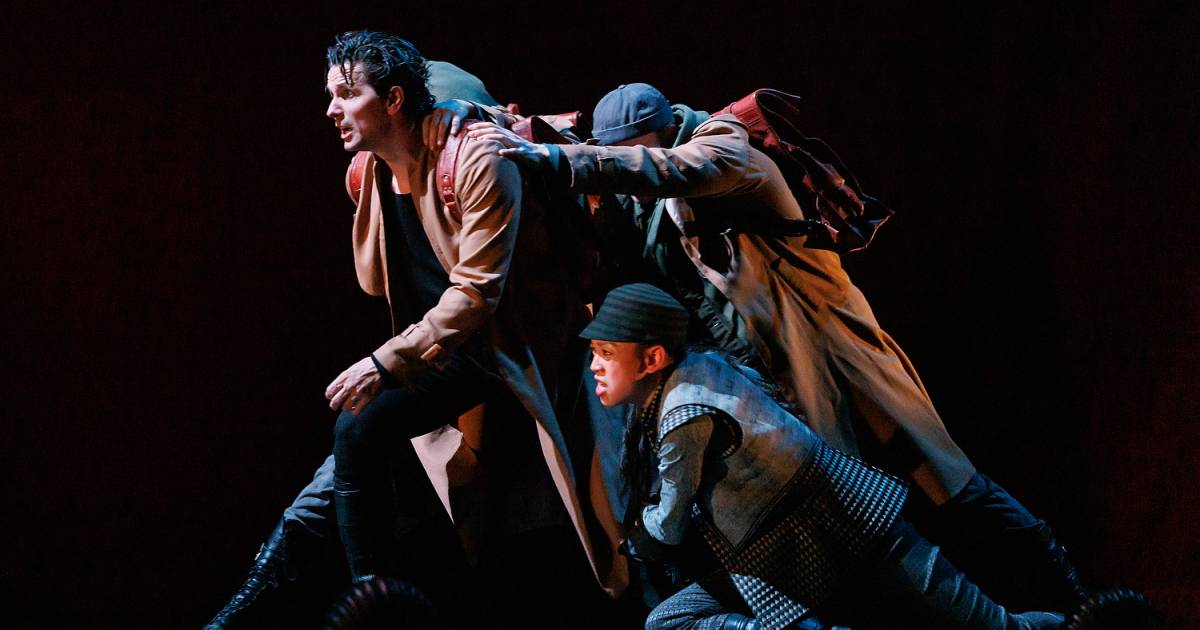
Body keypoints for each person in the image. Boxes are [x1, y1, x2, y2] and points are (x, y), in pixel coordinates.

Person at [465, 82, 1083, 610]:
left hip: (829, 358)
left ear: (665, 132)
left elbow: (672, 170)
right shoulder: (641, 202)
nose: (630, 171)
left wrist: (556, 158)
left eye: (636, 151)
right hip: (768, 388)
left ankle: (1070, 597)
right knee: (848, 528)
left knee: (946, 487)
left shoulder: (724, 150)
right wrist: (520, 135)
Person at [203, 35, 622, 629]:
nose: (331, 109)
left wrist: (384, 363)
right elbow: (377, 280)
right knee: (343, 464)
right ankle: (294, 608)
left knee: (365, 434)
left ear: (396, 100)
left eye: (347, 93)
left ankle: (370, 607)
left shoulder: (476, 159)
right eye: (331, 94)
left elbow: (476, 296)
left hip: (503, 348)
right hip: (439, 350)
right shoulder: (373, 172)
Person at [579, 282, 1064, 630]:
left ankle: (1083, 620)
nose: (595, 366)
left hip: (827, 532)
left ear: (652, 359)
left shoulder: (681, 414)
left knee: (671, 620)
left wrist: (639, 534)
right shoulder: (701, 368)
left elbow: (669, 525)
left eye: (606, 352)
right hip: (823, 529)